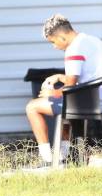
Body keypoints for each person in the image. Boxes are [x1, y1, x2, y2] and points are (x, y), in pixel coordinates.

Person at [25, 14, 102, 166]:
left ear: (62, 37)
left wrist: (52, 93)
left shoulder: (73, 50)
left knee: (32, 107)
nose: (54, 46)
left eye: (53, 42)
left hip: (86, 101)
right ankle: (63, 155)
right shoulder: (91, 40)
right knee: (64, 102)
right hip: (94, 96)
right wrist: (60, 76)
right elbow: (87, 76)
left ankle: (48, 159)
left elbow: (71, 87)